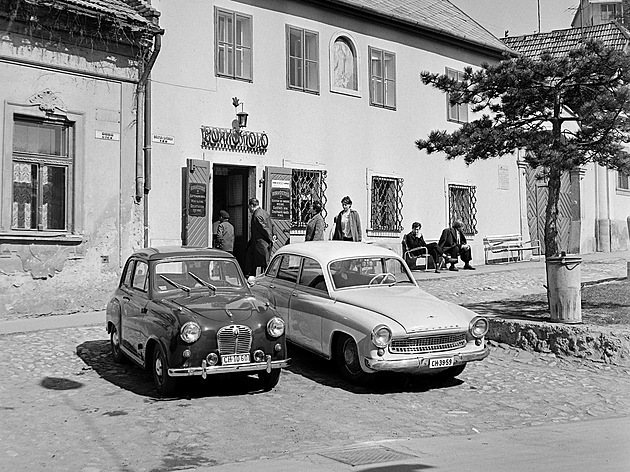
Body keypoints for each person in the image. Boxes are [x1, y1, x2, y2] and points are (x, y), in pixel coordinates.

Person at [245, 198, 274, 277]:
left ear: (252, 206)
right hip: (264, 242)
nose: (249, 209)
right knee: (262, 261)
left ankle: (257, 276)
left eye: (249, 207)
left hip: (260, 242)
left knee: (261, 262)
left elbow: (263, 228)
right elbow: (272, 225)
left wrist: (270, 238)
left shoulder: (256, 215)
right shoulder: (264, 212)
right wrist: (274, 235)